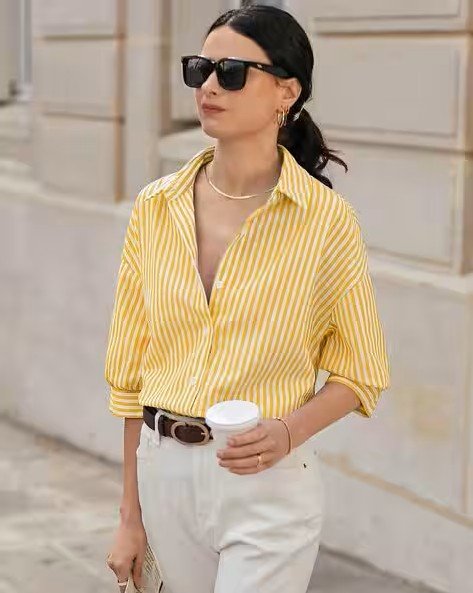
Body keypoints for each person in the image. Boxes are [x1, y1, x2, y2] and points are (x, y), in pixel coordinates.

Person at [104, 5, 390, 593]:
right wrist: (130, 517)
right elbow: (130, 379)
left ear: (287, 90)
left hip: (267, 484)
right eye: (199, 69)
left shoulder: (326, 222)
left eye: (231, 72)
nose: (209, 85)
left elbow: (361, 371)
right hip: (163, 476)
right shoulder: (155, 208)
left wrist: (288, 431)